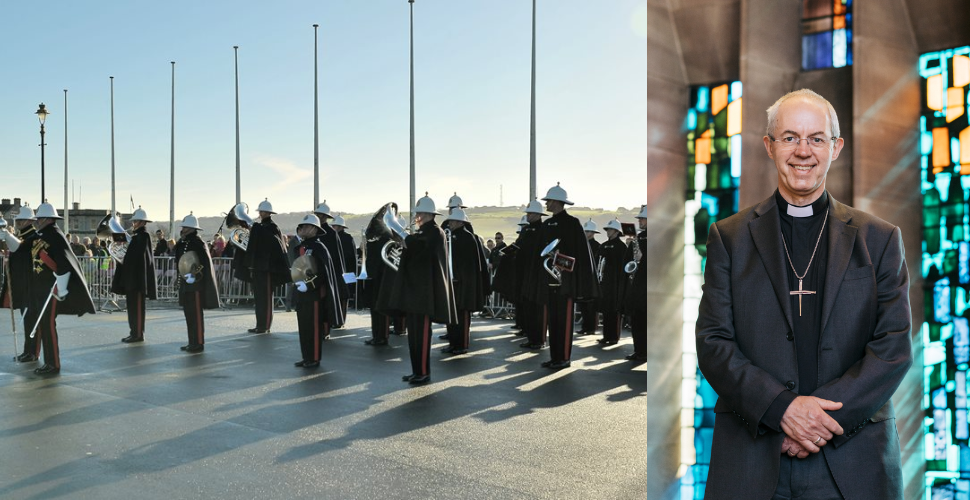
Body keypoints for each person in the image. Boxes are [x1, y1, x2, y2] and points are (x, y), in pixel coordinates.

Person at [695, 89, 912, 499]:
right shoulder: (730, 237)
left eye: (816, 139)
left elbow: (893, 348)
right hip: (753, 459)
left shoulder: (879, 239)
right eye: (790, 137)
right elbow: (713, 343)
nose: (803, 152)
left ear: (836, 148)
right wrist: (781, 410)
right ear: (769, 146)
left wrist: (813, 421)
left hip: (853, 459)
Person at [523, 184, 598, 369]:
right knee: (553, 323)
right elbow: (539, 253)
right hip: (549, 280)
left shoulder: (572, 223)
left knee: (563, 323)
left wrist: (558, 259)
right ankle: (554, 356)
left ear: (557, 202)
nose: (546, 204)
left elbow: (579, 255)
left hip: (565, 281)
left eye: (549, 201)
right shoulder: (547, 224)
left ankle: (563, 357)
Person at [389, 193, 457, 385]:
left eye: (418, 214)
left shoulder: (435, 232)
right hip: (415, 290)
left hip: (425, 292)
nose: (416, 217)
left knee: (422, 335)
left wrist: (404, 236)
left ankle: (423, 372)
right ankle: (416, 370)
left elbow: (421, 250)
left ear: (427, 214)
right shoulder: (421, 232)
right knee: (414, 336)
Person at [24, 203, 97, 375]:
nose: (38, 221)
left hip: (52, 289)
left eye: (40, 218)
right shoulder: (43, 234)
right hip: (41, 288)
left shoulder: (55, 235)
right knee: (44, 324)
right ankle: (48, 361)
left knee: (48, 325)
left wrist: (61, 287)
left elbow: (64, 264)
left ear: (49, 219)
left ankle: (53, 364)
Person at [291, 215, 344, 368]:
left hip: (314, 294)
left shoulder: (319, 247)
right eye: (301, 226)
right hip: (302, 292)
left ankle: (314, 357)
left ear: (314, 229)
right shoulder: (303, 246)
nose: (302, 229)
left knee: (313, 327)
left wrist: (308, 285)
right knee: (304, 327)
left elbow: (321, 273)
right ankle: (306, 356)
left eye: (306, 226)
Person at [442, 208, 491, 355]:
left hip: (463, 282)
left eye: (452, 221)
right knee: (451, 314)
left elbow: (469, 263)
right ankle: (452, 342)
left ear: (459, 222)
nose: (449, 223)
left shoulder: (468, 237)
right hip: (452, 281)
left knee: (462, 315)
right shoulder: (450, 236)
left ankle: (461, 344)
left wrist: (461, 277)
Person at [111, 207, 158, 343]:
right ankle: (133, 332)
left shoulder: (144, 236)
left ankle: (138, 334)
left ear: (142, 222)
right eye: (134, 220)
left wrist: (125, 248)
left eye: (136, 221)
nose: (134, 223)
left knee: (137, 307)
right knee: (131, 307)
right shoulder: (136, 236)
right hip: (132, 277)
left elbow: (138, 255)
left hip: (137, 278)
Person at [175, 213, 220, 353]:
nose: (183, 229)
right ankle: (191, 341)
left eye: (186, 227)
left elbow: (204, 264)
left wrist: (193, 275)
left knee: (196, 314)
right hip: (186, 281)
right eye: (183, 227)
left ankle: (198, 343)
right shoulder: (183, 242)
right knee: (188, 313)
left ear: (192, 228)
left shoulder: (198, 243)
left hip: (195, 283)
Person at [244, 199, 290, 333]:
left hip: (268, 268)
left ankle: (265, 326)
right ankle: (260, 324)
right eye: (260, 211)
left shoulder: (272, 227)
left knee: (266, 297)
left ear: (269, 213)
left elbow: (272, 243)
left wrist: (255, 228)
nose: (261, 213)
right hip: (259, 267)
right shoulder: (260, 227)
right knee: (259, 297)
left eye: (263, 211)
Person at [1, 206, 40, 362]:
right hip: (23, 283)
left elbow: (23, 249)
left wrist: (9, 237)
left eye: (22, 220)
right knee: (26, 318)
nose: (19, 222)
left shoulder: (34, 236)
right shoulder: (22, 235)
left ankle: (32, 352)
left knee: (31, 318)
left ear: (30, 221)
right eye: (18, 220)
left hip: (31, 283)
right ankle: (27, 350)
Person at [363, 204, 398, 346]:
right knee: (374, 307)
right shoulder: (378, 237)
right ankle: (376, 335)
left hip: (383, 277)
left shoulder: (387, 236)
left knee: (381, 307)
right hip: (374, 276)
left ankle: (382, 336)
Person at [515, 203, 547, 349]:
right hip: (525, 273)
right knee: (528, 307)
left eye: (530, 213)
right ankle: (531, 337)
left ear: (538, 215)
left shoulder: (543, 229)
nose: (527, 215)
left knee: (538, 309)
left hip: (539, 274)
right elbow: (519, 246)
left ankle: (539, 339)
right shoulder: (526, 230)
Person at [313, 201, 351, 322]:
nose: (318, 217)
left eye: (320, 215)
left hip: (328, 272)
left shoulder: (330, 233)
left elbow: (336, 257)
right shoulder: (313, 231)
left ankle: (326, 328)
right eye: (317, 214)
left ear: (325, 217)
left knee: (326, 301)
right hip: (314, 272)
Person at [595, 219, 628, 346]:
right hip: (604, 282)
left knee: (614, 311)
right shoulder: (603, 246)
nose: (608, 232)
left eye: (610, 229)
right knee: (606, 310)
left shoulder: (621, 247)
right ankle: (606, 336)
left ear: (616, 231)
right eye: (607, 229)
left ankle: (614, 337)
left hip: (615, 283)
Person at [624, 205, 647, 362]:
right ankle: (638, 350)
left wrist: (642, 257)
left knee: (645, 321)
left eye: (642, 218)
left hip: (648, 285)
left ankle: (645, 351)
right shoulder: (639, 237)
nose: (639, 220)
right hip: (638, 284)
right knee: (637, 320)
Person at [577, 218, 601, 336]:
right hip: (583, 278)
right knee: (583, 305)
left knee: (591, 306)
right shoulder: (581, 245)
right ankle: (585, 327)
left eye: (587, 232)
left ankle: (591, 328)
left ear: (592, 233)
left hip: (592, 279)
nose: (585, 234)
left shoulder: (597, 246)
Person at [332, 215, 358, 310]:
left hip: (346, 268)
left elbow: (351, 254)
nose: (333, 227)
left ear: (340, 227)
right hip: (342, 268)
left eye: (334, 226)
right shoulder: (344, 238)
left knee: (345, 292)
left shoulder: (347, 238)